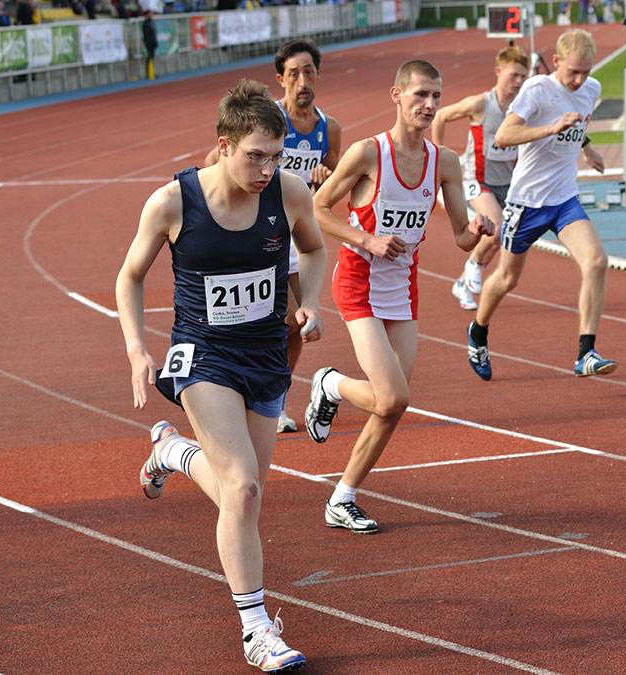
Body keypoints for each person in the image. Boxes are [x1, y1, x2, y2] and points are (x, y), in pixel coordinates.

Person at [115, 79, 326, 672]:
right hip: (202, 355)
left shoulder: (287, 193)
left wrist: (309, 300)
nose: (266, 168)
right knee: (243, 489)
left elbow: (312, 249)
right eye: (254, 155)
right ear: (224, 144)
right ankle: (255, 628)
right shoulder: (173, 202)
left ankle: (172, 454)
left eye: (275, 156)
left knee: (245, 497)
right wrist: (136, 349)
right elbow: (128, 277)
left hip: (266, 356)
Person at [308, 60, 495, 533]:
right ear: (396, 96)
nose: (429, 105)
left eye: (436, 96)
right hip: (358, 284)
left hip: (402, 290)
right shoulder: (368, 153)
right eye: (420, 95)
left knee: (393, 406)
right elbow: (316, 209)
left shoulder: (443, 162)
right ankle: (329, 384)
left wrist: (478, 231)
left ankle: (342, 497)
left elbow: (459, 237)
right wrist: (366, 239)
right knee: (392, 396)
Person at [206, 38, 341, 434]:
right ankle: (248, 395)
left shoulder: (329, 128)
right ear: (280, 78)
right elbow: (215, 162)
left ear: (318, 75)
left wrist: (326, 176)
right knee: (272, 319)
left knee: (298, 323)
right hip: (259, 229)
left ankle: (275, 399)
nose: (303, 80)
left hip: (298, 232)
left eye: (309, 71)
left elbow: (334, 182)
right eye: (294, 73)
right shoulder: (265, 121)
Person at [466, 29, 617, 381]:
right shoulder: (537, 90)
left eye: (586, 71)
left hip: (564, 198)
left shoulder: (590, 90)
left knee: (597, 261)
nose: (580, 80)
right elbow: (504, 135)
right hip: (527, 202)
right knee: (507, 279)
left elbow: (577, 123)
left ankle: (585, 353)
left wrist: (587, 148)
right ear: (557, 62)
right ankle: (477, 331)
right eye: (573, 72)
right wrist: (550, 128)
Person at [431, 45, 530, 311]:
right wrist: (439, 156)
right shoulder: (480, 104)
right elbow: (441, 116)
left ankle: (463, 282)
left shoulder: (523, 108)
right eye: (513, 75)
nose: (518, 82)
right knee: (496, 228)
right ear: (498, 72)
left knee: (503, 237)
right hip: (478, 180)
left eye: (523, 76)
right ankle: (473, 267)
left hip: (509, 184)